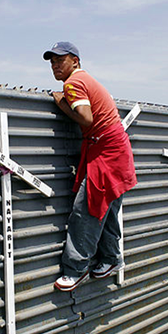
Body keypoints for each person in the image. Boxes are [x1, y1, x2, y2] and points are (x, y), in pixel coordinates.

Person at [43, 42, 137, 292]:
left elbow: (86, 118)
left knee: (87, 210)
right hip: (113, 150)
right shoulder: (87, 79)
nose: (54, 66)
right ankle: (109, 259)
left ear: (75, 60)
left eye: (59, 60)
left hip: (106, 153)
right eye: (51, 62)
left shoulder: (73, 83)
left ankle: (76, 269)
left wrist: (62, 104)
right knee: (105, 208)